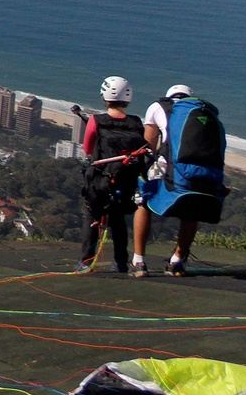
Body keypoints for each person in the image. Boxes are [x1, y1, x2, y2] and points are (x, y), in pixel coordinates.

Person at [131, 84, 225, 277]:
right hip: (203, 173)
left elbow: (148, 147)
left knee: (142, 201)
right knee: (192, 210)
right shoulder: (207, 114)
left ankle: (139, 261)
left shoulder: (159, 107)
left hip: (171, 169)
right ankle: (178, 261)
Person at [76, 76, 147, 273]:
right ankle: (121, 262)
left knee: (92, 217)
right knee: (118, 222)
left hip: (100, 181)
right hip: (125, 182)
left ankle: (85, 262)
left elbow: (87, 149)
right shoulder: (135, 123)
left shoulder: (95, 121)